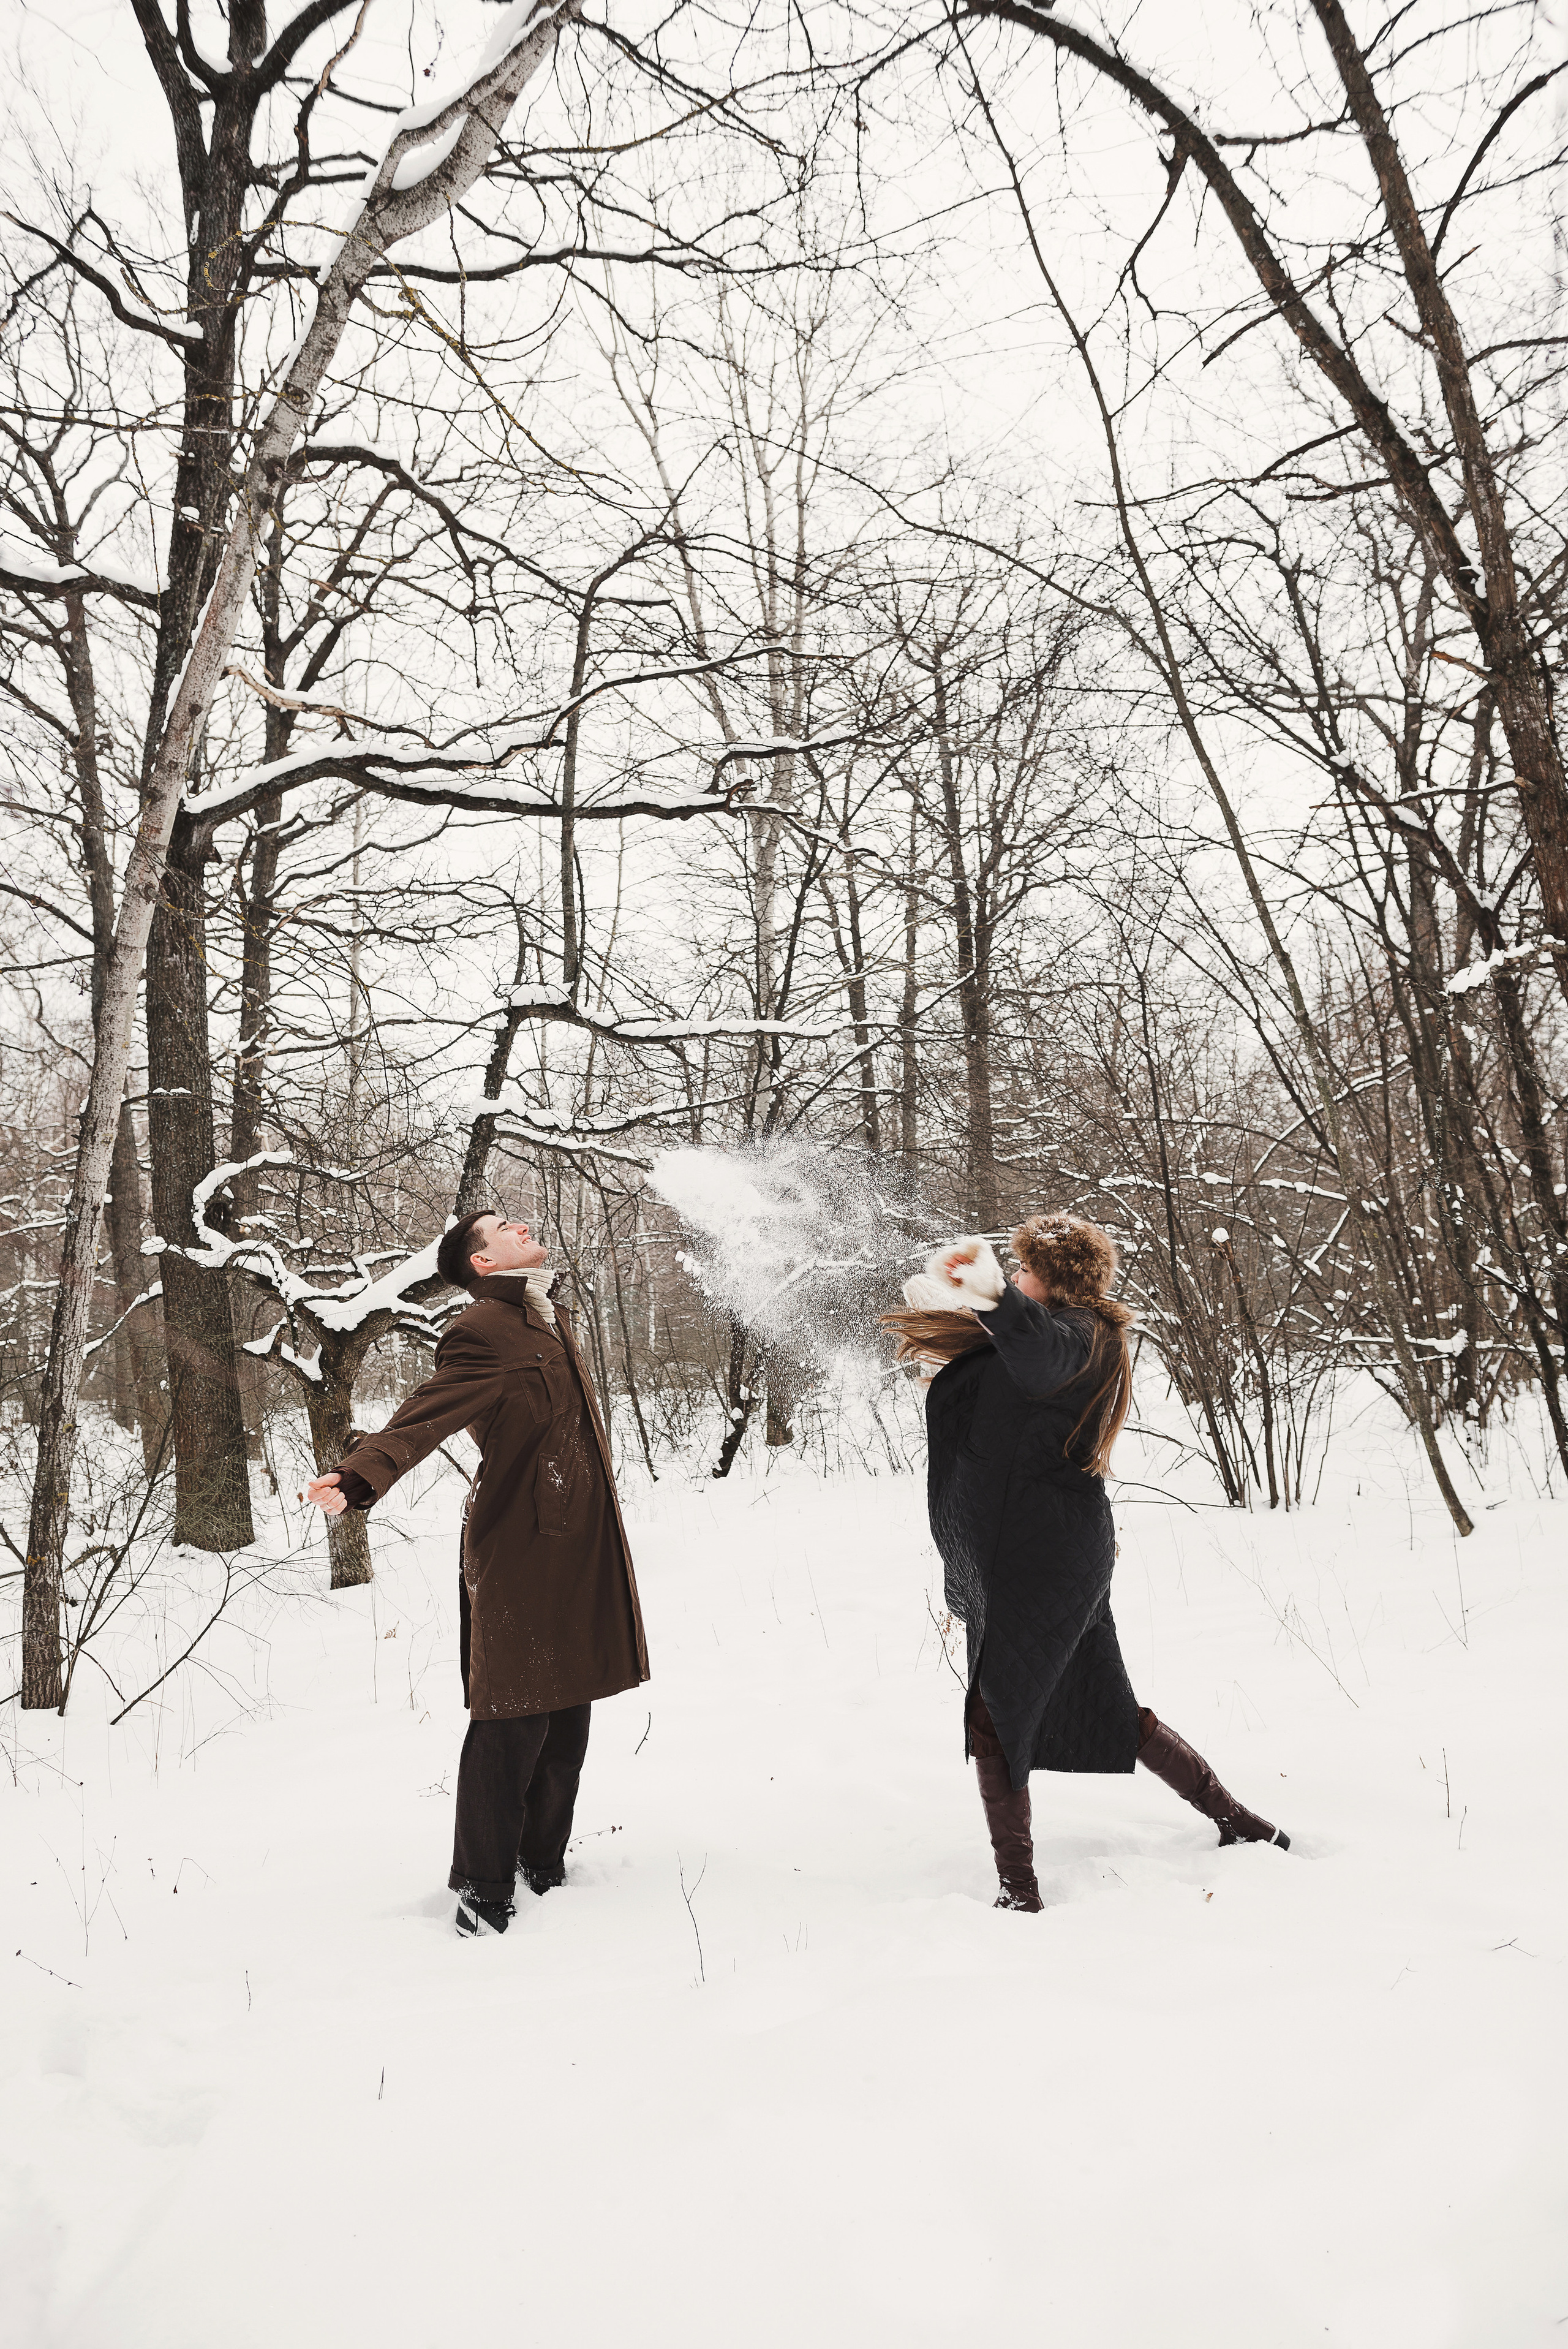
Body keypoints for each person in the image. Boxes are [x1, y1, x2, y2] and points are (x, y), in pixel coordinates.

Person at [884, 1212, 1287, 1913]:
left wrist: (997, 1301)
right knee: (1105, 1705)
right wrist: (962, 1326)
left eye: (1024, 1271)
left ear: (1056, 1281)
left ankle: (1019, 1889)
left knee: (995, 1714)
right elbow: (1005, 1381)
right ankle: (1240, 1822)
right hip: (1047, 1549)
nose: (1016, 1278)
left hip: (1037, 1555)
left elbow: (1037, 1353)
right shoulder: (1065, 1335)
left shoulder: (1079, 1335)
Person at [306, 1210, 649, 1938]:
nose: (521, 1223)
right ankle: (483, 1888)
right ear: (482, 1264)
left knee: (571, 1707)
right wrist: (360, 1474)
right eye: (500, 1226)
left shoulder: (546, 1316)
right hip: (521, 1543)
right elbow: (426, 1414)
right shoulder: (482, 1331)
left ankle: (542, 1863)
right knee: (513, 1715)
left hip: (578, 1539)